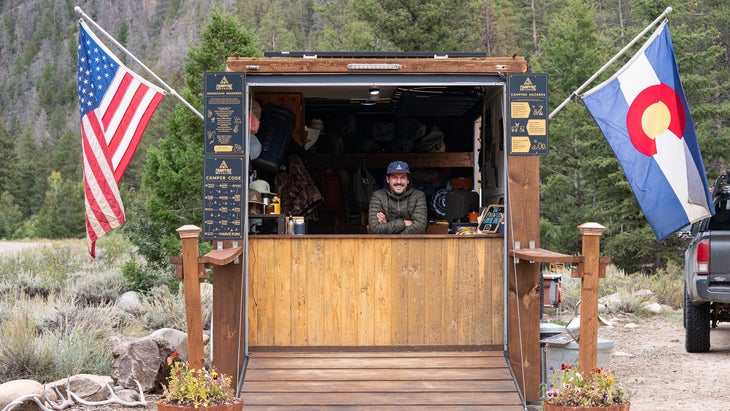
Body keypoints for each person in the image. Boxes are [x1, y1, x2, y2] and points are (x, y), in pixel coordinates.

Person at [368, 161, 427, 234]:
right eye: (394, 177)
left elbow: (419, 228)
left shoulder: (418, 196)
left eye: (402, 177)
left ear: (408, 180)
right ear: (387, 179)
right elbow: (375, 228)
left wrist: (387, 226)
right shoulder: (378, 196)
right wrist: (404, 223)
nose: (399, 182)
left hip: (412, 244)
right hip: (385, 245)